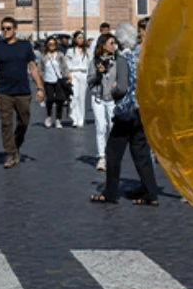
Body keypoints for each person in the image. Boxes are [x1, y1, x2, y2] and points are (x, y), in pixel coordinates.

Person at [92, 21, 159, 205]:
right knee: (141, 153)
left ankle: (110, 192)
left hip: (125, 111)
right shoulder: (141, 55)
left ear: (120, 42)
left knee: (113, 153)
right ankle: (150, 192)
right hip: (140, 111)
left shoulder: (121, 59)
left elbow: (121, 88)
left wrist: (113, 91)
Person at [0, 17, 45, 169]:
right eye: (3, 28)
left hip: (23, 91)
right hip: (4, 92)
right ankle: (10, 153)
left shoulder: (25, 46)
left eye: (8, 28)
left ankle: (15, 146)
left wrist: (40, 88)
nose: (5, 31)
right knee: (6, 123)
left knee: (24, 121)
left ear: (15, 30)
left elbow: (33, 67)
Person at [88, 33, 119, 171]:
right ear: (103, 45)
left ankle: (112, 154)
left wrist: (117, 84)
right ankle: (102, 157)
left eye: (114, 43)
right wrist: (99, 74)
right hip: (98, 98)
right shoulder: (95, 61)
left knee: (113, 126)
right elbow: (89, 81)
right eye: (111, 43)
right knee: (101, 127)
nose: (114, 46)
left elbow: (122, 78)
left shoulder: (118, 60)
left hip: (112, 98)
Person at [39, 37, 68, 129]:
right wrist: (42, 78)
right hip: (48, 80)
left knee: (60, 100)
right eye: (50, 44)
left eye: (53, 44)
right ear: (47, 45)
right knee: (50, 99)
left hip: (59, 80)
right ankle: (48, 116)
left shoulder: (60, 55)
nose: (52, 46)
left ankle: (58, 119)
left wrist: (67, 75)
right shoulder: (43, 56)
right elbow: (40, 69)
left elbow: (64, 66)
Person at [64, 31, 91, 128]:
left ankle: (81, 119)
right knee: (74, 96)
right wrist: (69, 75)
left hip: (84, 74)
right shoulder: (70, 51)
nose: (81, 40)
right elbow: (66, 64)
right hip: (74, 74)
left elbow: (90, 64)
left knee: (82, 98)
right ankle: (74, 118)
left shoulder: (87, 51)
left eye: (82, 38)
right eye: (79, 38)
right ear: (75, 39)